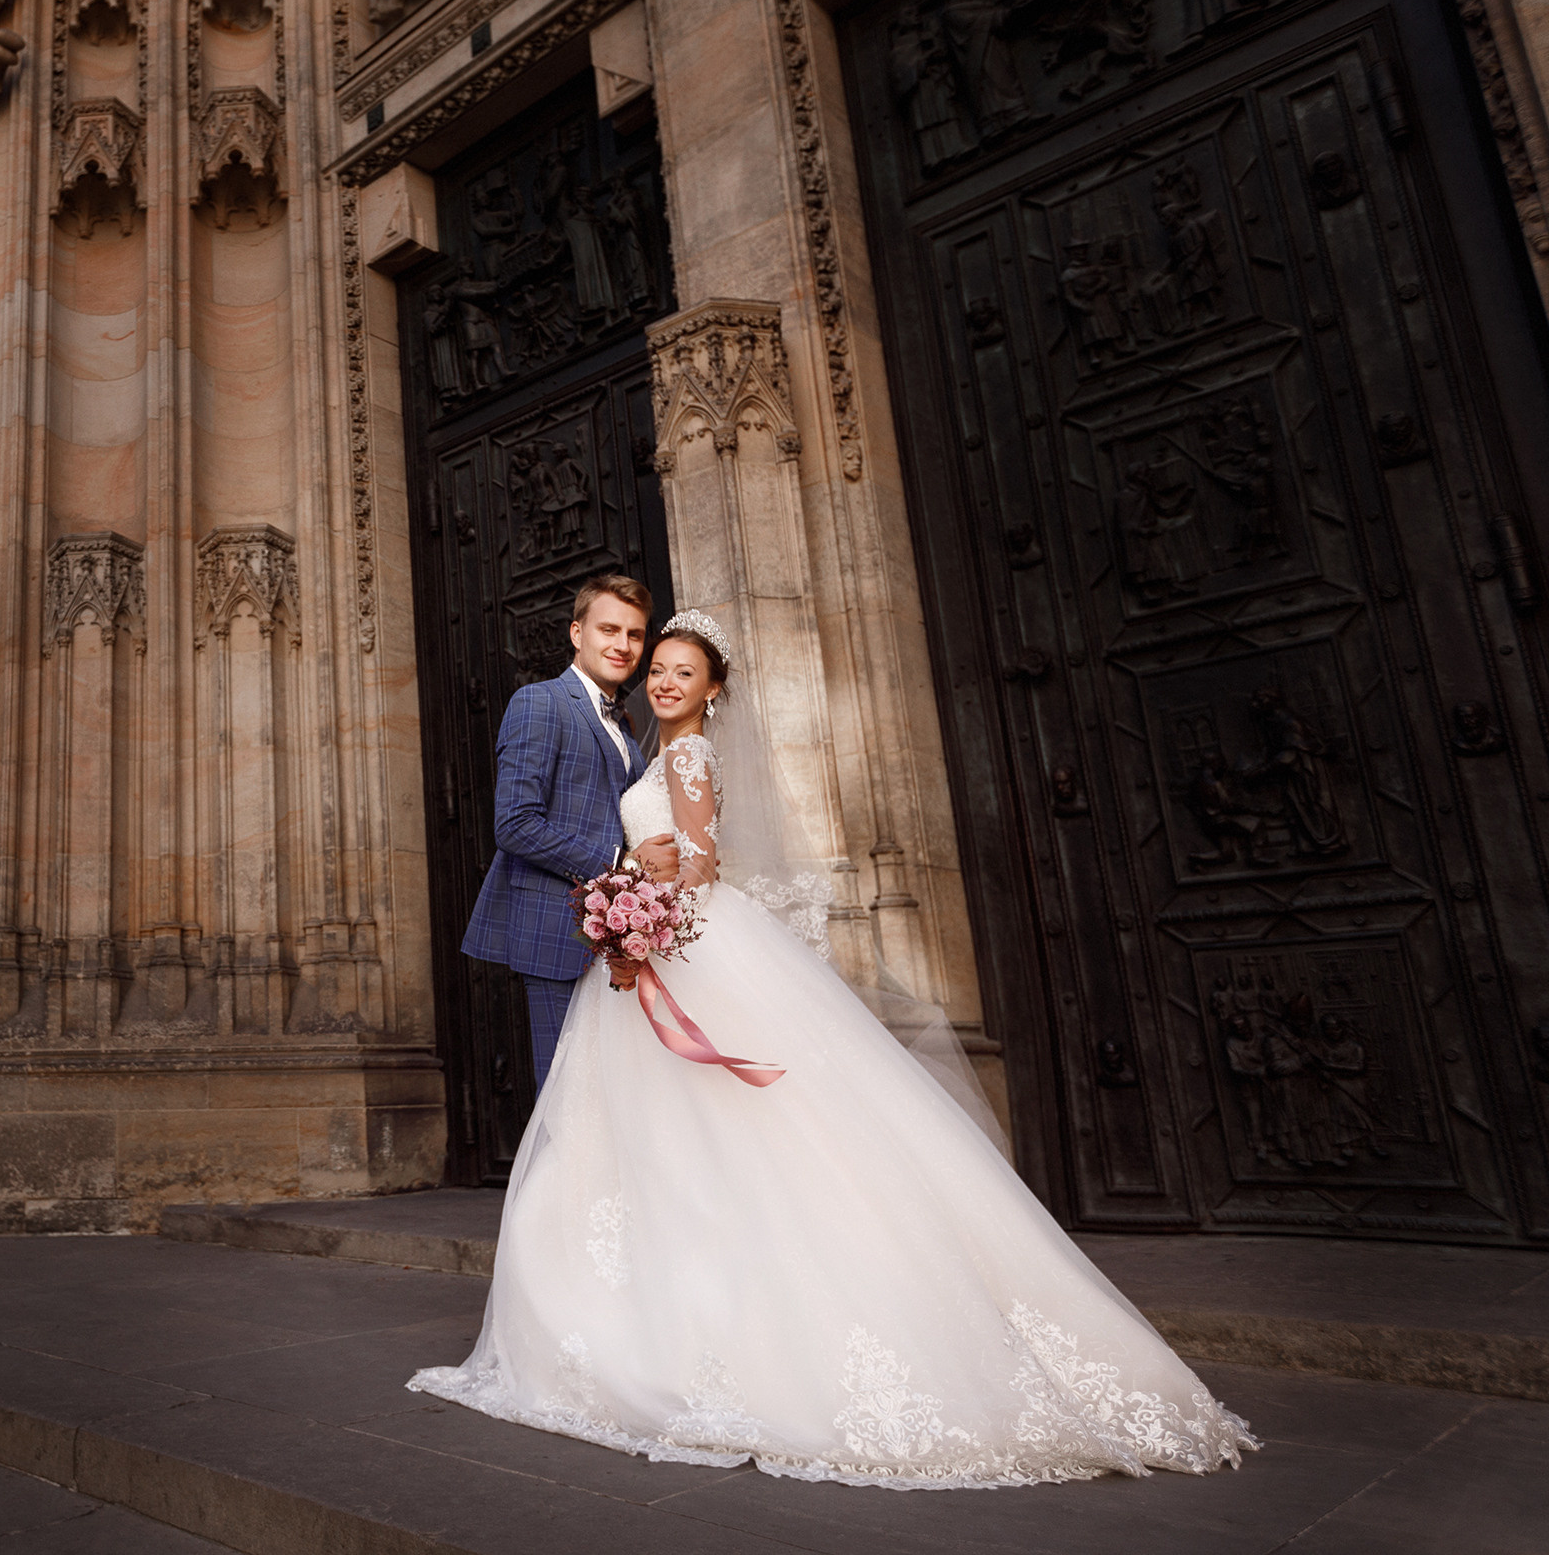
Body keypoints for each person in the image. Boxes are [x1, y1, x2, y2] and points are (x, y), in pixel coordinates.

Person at [414, 609, 1258, 1488]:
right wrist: (629, 894)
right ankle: (628, 1312)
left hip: (683, 943)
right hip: (653, 946)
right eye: (654, 665)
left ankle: (679, 1327)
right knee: (653, 1144)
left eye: (680, 671)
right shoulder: (634, 747)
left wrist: (636, 898)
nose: (660, 678)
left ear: (713, 690)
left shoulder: (688, 757)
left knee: (701, 1139)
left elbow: (697, 863)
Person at [462, 575, 678, 1092]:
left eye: (634, 634)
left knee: (618, 1096)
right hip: (556, 932)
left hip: (619, 937)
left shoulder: (622, 724)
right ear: (577, 633)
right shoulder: (540, 702)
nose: (622, 645)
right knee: (570, 1098)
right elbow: (514, 823)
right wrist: (621, 864)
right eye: (609, 630)